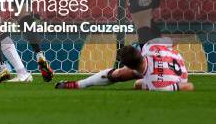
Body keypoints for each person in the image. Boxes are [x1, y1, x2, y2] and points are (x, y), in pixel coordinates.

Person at [55, 39, 193, 91]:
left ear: (130, 67)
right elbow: (174, 41)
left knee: (137, 84)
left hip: (173, 79)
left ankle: (79, 84)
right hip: (165, 66)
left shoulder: (159, 86)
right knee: (122, 76)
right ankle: (79, 85)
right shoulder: (151, 45)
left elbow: (189, 86)